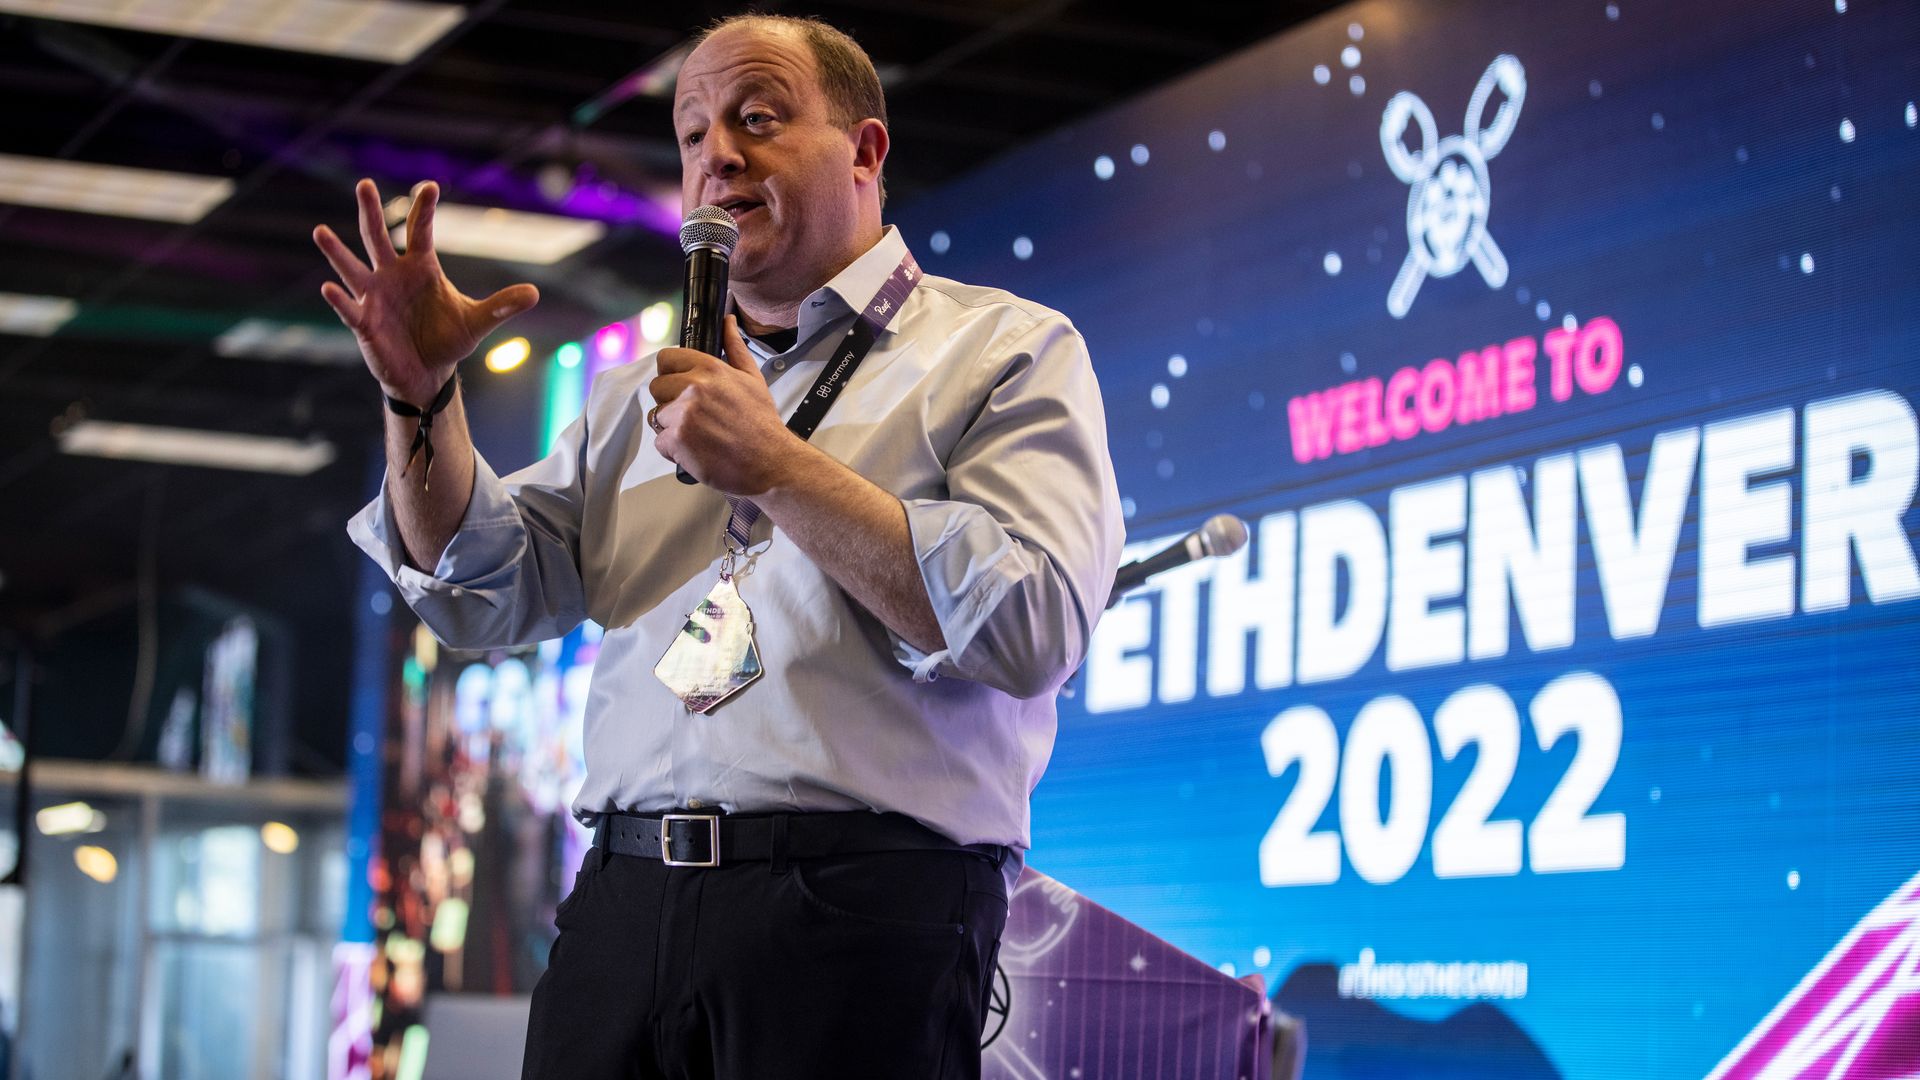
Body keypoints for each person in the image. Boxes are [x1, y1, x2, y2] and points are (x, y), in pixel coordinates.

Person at [319, 12, 1122, 1078]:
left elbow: (1033, 623)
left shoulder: (1004, 352)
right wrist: (420, 402)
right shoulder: (634, 401)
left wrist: (779, 469)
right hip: (623, 901)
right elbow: (477, 584)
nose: (717, 157)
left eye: (756, 119)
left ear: (867, 152)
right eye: (693, 135)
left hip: (857, 912)